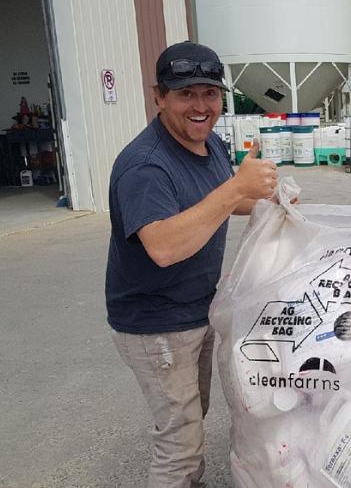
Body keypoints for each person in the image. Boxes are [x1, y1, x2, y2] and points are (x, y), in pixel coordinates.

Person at [105, 41, 278, 487]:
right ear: (159, 97)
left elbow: (218, 202)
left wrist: (268, 201)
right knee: (179, 443)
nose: (201, 106)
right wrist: (237, 188)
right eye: (186, 94)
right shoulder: (145, 166)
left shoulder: (209, 145)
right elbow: (163, 246)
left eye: (210, 93)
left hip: (195, 308)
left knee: (190, 418)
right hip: (156, 323)